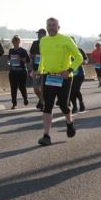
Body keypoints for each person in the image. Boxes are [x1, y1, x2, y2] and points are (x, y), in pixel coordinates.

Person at [33, 17, 82, 146]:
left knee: (63, 105)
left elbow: (79, 57)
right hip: (48, 77)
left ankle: (69, 123)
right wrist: (39, 70)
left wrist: (69, 70)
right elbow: (43, 58)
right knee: (47, 106)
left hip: (64, 77)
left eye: (54, 25)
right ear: (46, 27)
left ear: (58, 27)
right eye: (49, 25)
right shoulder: (43, 40)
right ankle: (46, 135)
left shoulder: (66, 39)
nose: (51, 27)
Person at [7, 35, 31, 109]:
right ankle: (14, 103)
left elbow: (28, 60)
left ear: (19, 42)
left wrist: (22, 59)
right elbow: (9, 60)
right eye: (14, 42)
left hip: (21, 71)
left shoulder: (23, 50)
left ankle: (25, 99)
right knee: (13, 88)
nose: (16, 43)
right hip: (13, 71)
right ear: (13, 42)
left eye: (17, 42)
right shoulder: (11, 51)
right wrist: (9, 62)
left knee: (22, 87)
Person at [29, 28, 47, 110]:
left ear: (44, 34)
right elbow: (31, 56)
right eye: (38, 34)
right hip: (36, 69)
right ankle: (42, 100)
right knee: (36, 88)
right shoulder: (35, 43)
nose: (38, 35)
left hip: (45, 69)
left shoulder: (48, 42)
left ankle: (42, 103)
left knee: (43, 88)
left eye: (40, 33)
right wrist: (31, 68)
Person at [69, 46, 87, 114]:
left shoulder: (79, 49)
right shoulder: (65, 50)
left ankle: (81, 102)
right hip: (69, 74)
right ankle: (75, 106)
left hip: (79, 74)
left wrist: (81, 62)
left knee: (75, 90)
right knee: (70, 91)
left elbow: (86, 60)